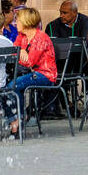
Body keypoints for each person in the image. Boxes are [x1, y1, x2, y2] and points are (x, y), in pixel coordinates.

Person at [7, 7, 57, 135]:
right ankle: (18, 119)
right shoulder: (22, 36)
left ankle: (19, 120)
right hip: (32, 73)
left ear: (26, 22)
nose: (15, 23)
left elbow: (29, 62)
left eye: (17, 20)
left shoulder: (40, 38)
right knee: (11, 86)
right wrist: (21, 52)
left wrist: (18, 54)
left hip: (46, 75)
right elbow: (14, 49)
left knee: (12, 86)